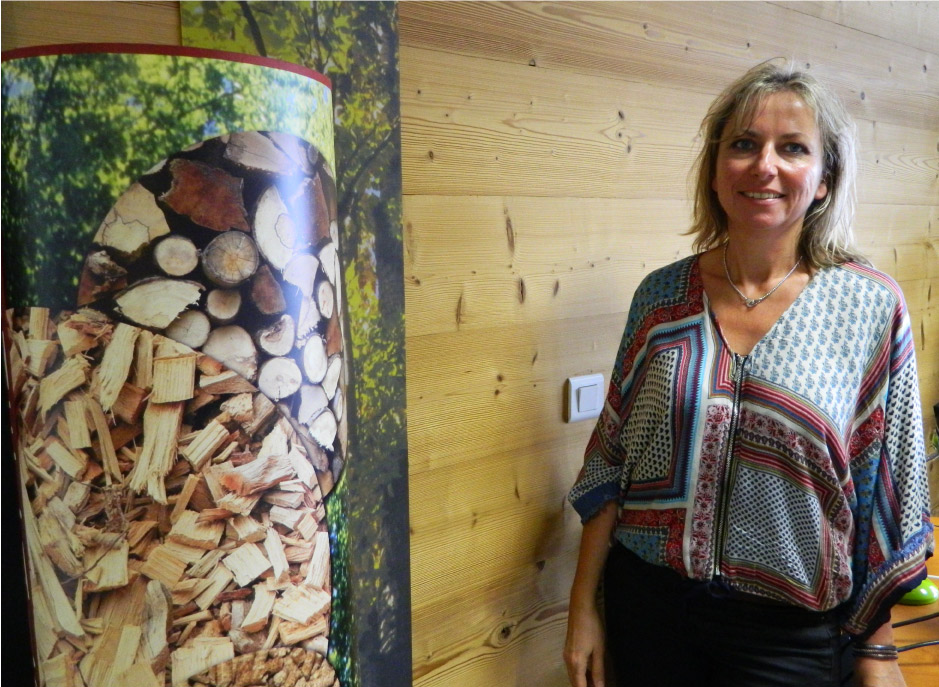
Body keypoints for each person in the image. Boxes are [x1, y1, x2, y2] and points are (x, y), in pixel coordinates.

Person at [562, 60, 933, 687]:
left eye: (792, 148)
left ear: (822, 179)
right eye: (743, 144)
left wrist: (877, 651)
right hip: (649, 612)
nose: (765, 166)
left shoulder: (869, 306)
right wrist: (582, 612)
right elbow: (612, 460)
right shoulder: (662, 298)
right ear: (715, 170)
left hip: (790, 634)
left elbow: (884, 486)